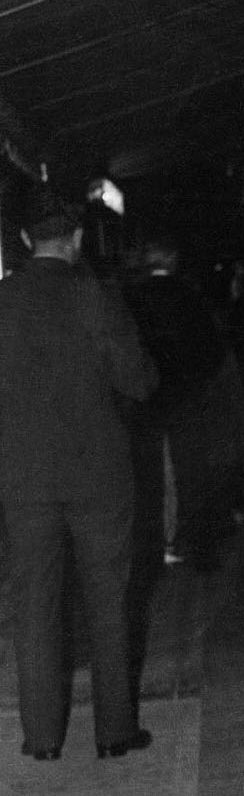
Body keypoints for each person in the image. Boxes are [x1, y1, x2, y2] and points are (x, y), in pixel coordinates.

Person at [0, 192, 157, 760]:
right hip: (98, 475)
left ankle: (42, 739)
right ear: (77, 239)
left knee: (34, 605)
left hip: (24, 477)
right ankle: (114, 732)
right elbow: (139, 380)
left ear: (24, 241)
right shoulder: (95, 294)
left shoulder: (2, 300)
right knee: (108, 601)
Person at [122, 238, 244, 573]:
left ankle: (158, 543)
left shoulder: (131, 298)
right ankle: (193, 545)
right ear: (173, 260)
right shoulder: (190, 297)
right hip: (188, 398)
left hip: (148, 401)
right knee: (190, 473)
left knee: (152, 475)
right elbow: (212, 350)